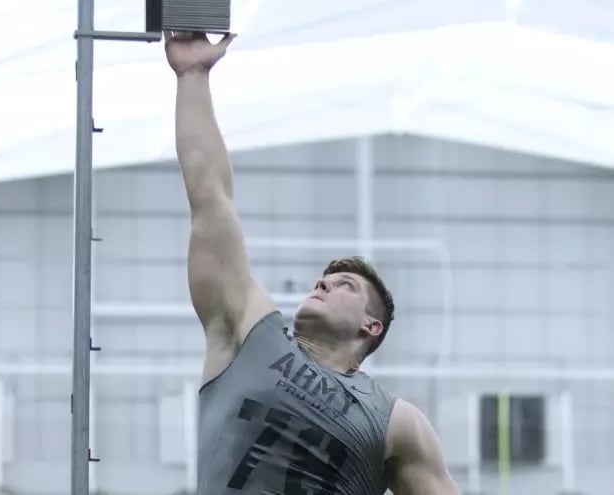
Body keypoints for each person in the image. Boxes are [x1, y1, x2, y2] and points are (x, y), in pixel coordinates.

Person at [165, 31, 461, 495]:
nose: (322, 284)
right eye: (323, 279)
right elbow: (209, 198)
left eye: (344, 284)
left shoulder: (396, 422)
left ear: (371, 326)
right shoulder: (248, 332)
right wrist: (193, 75)